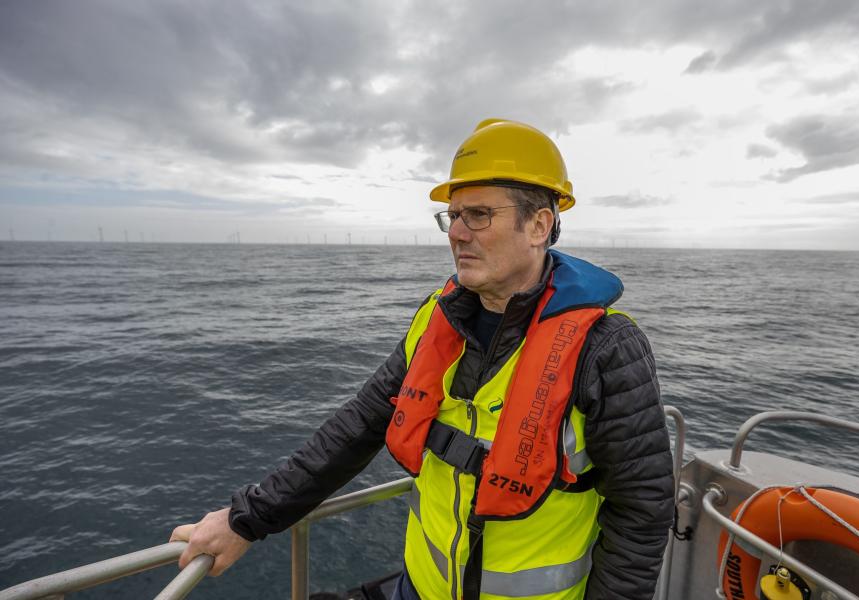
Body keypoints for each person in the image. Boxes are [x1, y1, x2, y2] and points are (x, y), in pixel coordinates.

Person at [170, 118, 675, 600]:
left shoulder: (606, 348)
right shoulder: (439, 319)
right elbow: (360, 424)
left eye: (479, 215)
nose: (457, 233)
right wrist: (246, 519)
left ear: (539, 224)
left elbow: (642, 512)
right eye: (453, 216)